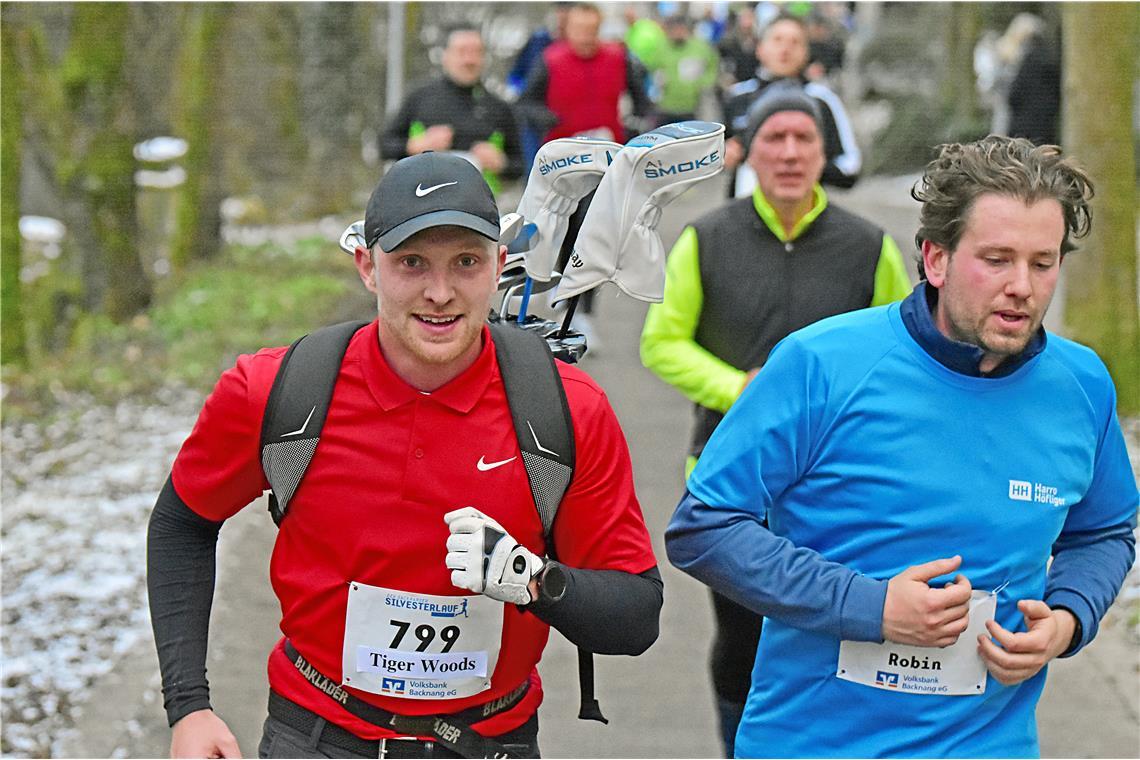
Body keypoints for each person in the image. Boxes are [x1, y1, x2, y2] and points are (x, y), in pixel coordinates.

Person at [148, 152, 663, 759]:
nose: (439, 292)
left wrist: (535, 581)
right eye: (411, 262)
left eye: (465, 263)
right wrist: (188, 706)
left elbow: (636, 616)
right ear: (367, 266)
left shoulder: (565, 412)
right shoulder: (280, 391)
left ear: (500, 265)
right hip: (316, 736)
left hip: (490, 742)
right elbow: (184, 521)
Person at [665, 135, 1138, 758]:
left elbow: (1103, 533)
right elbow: (703, 529)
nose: (1023, 286)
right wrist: (870, 605)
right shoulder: (822, 364)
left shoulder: (1080, 385)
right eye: (996, 259)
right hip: (814, 743)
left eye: (1042, 262)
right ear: (935, 259)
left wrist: (1068, 617)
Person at [639, 83, 911, 758]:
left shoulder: (869, 248)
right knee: (743, 642)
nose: (790, 153)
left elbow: (905, 355)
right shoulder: (706, 238)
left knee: (837, 634)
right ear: (746, 151)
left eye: (804, 140)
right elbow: (661, 342)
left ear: (825, 152)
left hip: (842, 483)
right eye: (774, 139)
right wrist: (742, 390)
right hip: (734, 485)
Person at [721, 12, 861, 194]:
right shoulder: (737, 97)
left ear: (807, 52)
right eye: (777, 40)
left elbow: (849, 168)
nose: (785, 49)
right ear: (760, 48)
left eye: (795, 42)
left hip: (802, 214)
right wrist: (723, 157)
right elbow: (710, 156)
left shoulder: (822, 99)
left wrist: (805, 164)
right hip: (743, 212)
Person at [381, 25, 523, 195]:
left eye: (477, 52)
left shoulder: (499, 107)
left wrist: (501, 163)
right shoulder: (420, 98)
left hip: (479, 205)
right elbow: (383, 145)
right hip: (420, 200)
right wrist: (416, 146)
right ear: (446, 56)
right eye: (462, 51)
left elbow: (520, 165)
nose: (469, 60)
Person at [516, 2, 653, 145]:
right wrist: (546, 118)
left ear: (599, 29)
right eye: (579, 30)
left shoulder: (618, 57)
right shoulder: (550, 59)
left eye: (591, 30)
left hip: (609, 147)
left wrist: (634, 124)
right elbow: (525, 103)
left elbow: (641, 99)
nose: (585, 38)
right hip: (562, 150)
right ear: (568, 29)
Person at [650, 15, 720, 126]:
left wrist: (704, 84)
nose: (678, 32)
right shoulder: (661, 48)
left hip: (692, 107)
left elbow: (713, 66)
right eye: (674, 29)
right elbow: (652, 70)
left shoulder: (700, 47)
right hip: (666, 107)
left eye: (680, 29)